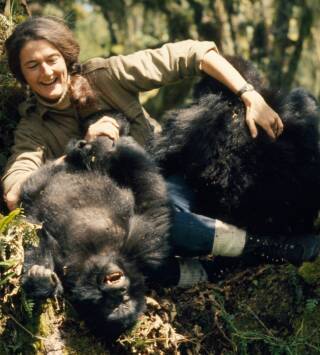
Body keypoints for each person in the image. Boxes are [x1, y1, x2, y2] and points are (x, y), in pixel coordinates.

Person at [3, 16, 319, 287]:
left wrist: (251, 97)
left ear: (65, 56)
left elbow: (195, 53)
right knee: (151, 238)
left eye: (51, 59)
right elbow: (15, 192)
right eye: (33, 66)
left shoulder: (104, 75)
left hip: (173, 170)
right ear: (23, 76)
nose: (46, 72)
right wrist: (79, 155)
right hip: (133, 209)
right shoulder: (34, 128)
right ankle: (266, 250)